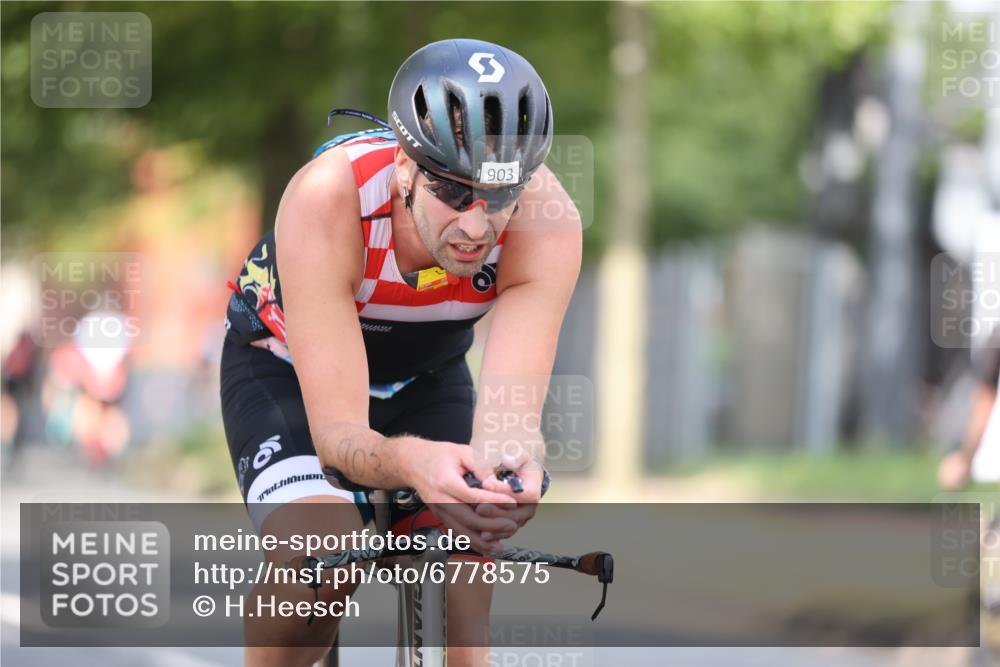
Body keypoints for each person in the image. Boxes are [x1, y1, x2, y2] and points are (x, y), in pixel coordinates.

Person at [220, 39, 581, 667]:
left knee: (467, 578)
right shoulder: (327, 197)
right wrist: (413, 465)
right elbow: (338, 437)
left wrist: (510, 472)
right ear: (405, 166)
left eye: (499, 197)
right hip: (286, 370)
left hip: (427, 374)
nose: (476, 225)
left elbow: (511, 423)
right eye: (451, 191)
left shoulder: (548, 224)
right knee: (319, 565)